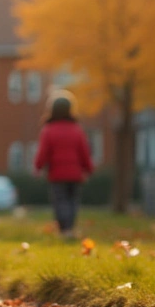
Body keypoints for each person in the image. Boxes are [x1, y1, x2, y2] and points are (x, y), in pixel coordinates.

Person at [33, 92, 92, 238]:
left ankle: (64, 230)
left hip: (57, 173)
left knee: (60, 202)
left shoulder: (48, 130)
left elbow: (43, 153)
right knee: (72, 202)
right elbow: (84, 151)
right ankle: (70, 229)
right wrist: (88, 169)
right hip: (75, 173)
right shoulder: (77, 129)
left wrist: (38, 167)